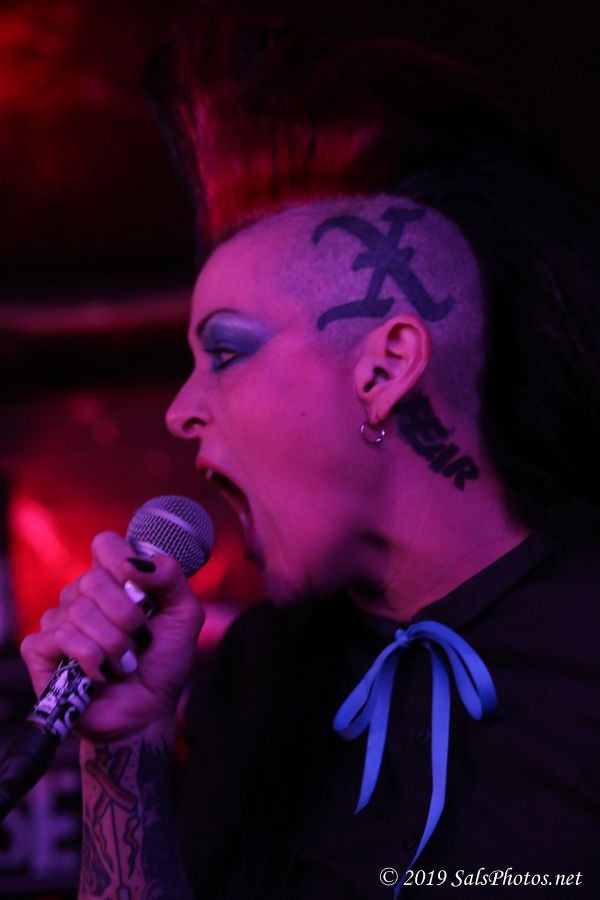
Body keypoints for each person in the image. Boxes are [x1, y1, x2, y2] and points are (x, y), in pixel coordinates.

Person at [20, 10, 600, 899]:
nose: (179, 411)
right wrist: (122, 753)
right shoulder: (255, 681)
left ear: (385, 368)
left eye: (225, 352)